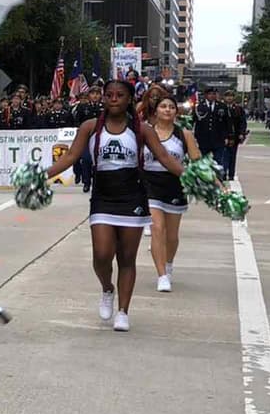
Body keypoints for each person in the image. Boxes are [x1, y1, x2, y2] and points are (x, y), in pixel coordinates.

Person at [43, 80, 183, 332]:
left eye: (120, 95)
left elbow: (164, 158)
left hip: (132, 196)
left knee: (127, 258)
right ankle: (107, 288)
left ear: (129, 99)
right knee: (102, 254)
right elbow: (71, 156)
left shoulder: (141, 129)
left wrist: (197, 178)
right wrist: (41, 174)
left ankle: (123, 311)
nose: (114, 99)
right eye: (109, 95)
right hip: (103, 196)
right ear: (103, 99)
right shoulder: (89, 127)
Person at [143, 97, 201, 292]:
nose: (167, 110)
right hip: (150, 185)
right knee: (157, 228)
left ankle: (168, 263)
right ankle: (162, 275)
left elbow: (199, 163)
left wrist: (218, 186)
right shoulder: (145, 132)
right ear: (156, 110)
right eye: (163, 106)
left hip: (175, 185)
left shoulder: (184, 134)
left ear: (176, 112)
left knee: (172, 236)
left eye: (171, 107)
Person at [72, 86, 102, 192]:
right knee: (86, 159)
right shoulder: (82, 107)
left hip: (100, 137)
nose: (95, 96)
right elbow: (77, 121)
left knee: (98, 160)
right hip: (86, 137)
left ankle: (97, 183)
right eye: (93, 94)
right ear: (89, 95)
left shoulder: (104, 107)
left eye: (97, 94)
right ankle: (86, 182)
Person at [193, 87, 230, 167]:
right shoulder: (198, 107)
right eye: (210, 94)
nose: (212, 96)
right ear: (206, 95)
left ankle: (218, 178)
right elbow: (193, 121)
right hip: (203, 139)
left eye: (214, 94)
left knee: (218, 162)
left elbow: (226, 123)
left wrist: (227, 136)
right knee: (203, 162)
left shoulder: (222, 106)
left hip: (218, 138)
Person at [223, 90, 248, 181]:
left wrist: (242, 133)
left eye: (231, 96)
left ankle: (231, 174)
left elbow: (242, 122)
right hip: (223, 136)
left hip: (235, 135)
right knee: (224, 155)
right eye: (227, 96)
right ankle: (223, 173)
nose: (229, 98)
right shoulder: (221, 108)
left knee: (232, 156)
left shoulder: (238, 109)